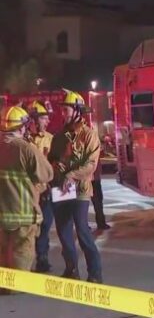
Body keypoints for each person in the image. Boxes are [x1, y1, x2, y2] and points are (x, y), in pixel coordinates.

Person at [48, 90, 103, 283]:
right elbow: (52, 159)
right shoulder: (59, 137)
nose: (63, 114)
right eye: (62, 110)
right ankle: (71, 269)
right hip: (61, 188)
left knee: (81, 229)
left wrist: (71, 174)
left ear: (78, 110)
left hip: (80, 188)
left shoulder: (89, 136)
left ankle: (95, 273)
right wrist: (55, 167)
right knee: (63, 230)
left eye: (67, 110)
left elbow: (91, 165)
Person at [0, 106, 54, 293]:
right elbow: (47, 174)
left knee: (3, 252)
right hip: (23, 214)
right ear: (22, 127)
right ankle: (14, 287)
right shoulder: (25, 148)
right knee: (21, 253)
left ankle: (4, 284)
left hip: (2, 215)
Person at [26, 101, 56, 273]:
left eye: (46, 118)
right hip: (28, 193)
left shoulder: (50, 139)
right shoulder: (24, 141)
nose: (47, 122)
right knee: (30, 227)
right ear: (33, 120)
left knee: (44, 226)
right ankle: (26, 261)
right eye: (43, 118)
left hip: (45, 191)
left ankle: (42, 257)